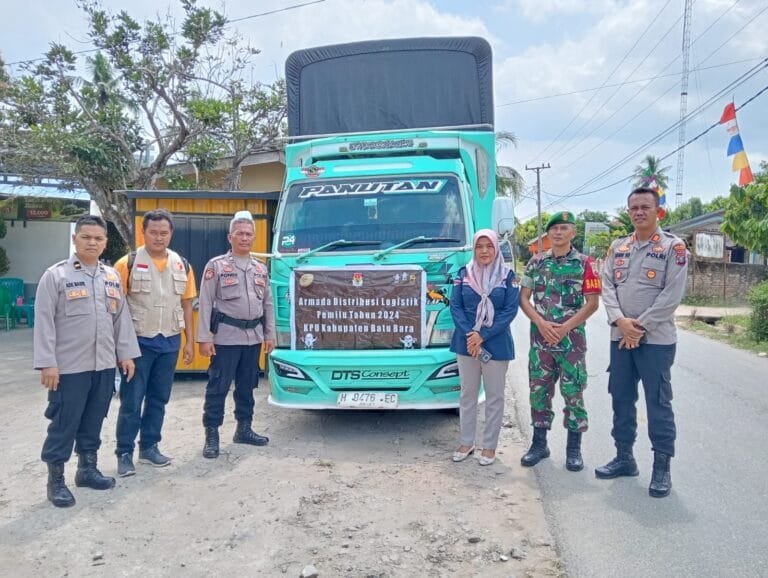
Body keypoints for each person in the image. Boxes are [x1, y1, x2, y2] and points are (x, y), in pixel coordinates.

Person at [34, 215, 140, 508]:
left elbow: (121, 319)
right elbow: (43, 322)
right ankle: (56, 481)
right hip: (69, 368)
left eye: (98, 238)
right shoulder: (55, 276)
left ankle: (87, 470)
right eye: (86, 237)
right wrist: (47, 363)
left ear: (105, 242)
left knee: (94, 419)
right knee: (64, 423)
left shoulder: (111, 276)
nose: (92, 242)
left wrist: (126, 354)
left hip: (104, 365)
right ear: (75, 239)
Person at [596, 187, 688, 498]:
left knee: (658, 403)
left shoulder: (674, 249)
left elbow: (671, 296)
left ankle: (662, 468)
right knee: (621, 399)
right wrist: (621, 323)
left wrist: (639, 327)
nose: (639, 212)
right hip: (619, 337)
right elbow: (607, 286)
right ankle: (625, 458)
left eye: (645, 207)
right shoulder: (618, 247)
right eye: (633, 207)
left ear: (658, 211)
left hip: (656, 341)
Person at [113, 209, 197, 476]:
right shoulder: (125, 263)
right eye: (153, 232)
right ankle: (124, 452)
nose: (159, 237)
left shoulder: (182, 263)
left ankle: (149, 446)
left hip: (170, 341)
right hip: (138, 343)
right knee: (131, 400)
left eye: (164, 232)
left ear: (171, 233)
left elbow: (187, 305)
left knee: (159, 398)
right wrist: (121, 348)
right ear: (143, 232)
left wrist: (189, 342)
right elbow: (116, 310)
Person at [518, 211, 601, 472]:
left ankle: (573, 450)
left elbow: (593, 303)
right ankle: (539, 444)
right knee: (538, 393)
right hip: (541, 343)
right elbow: (524, 299)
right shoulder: (536, 263)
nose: (558, 233)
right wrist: (541, 323)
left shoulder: (587, 264)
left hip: (571, 344)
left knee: (573, 394)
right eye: (554, 229)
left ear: (573, 233)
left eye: (564, 228)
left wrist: (565, 328)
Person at [197, 210, 275, 459]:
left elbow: (268, 304)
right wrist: (205, 337)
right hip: (225, 338)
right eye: (239, 233)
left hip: (253, 338)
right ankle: (211, 435)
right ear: (230, 237)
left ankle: (244, 429)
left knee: (247, 387)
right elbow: (205, 302)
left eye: (248, 234)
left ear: (254, 237)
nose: (244, 238)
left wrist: (270, 335)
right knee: (218, 387)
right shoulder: (217, 266)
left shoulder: (260, 269)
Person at [450, 229, 520, 466]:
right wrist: (472, 335)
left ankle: (489, 446)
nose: (484, 251)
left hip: (496, 344)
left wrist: (484, 335)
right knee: (467, 393)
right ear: (474, 249)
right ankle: (467, 442)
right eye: (479, 246)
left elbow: (509, 310)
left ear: (496, 249)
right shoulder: (464, 274)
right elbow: (456, 307)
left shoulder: (508, 276)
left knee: (494, 397)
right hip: (466, 343)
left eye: (489, 246)